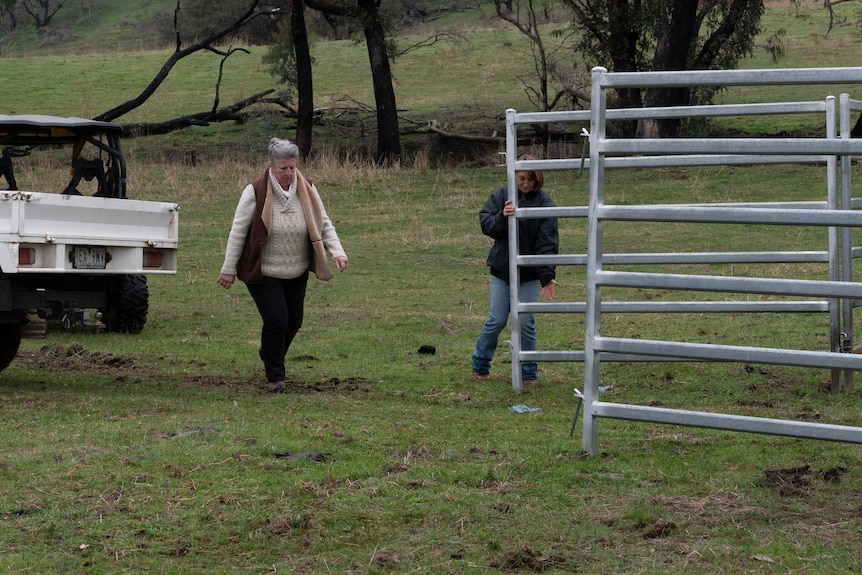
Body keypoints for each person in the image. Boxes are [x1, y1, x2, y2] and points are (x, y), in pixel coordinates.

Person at [218, 138, 348, 393]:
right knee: (277, 319)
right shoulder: (254, 191)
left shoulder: (308, 189)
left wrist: (337, 252)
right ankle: (276, 378)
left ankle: (269, 353)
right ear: (271, 166)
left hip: (296, 269)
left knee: (294, 320)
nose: (289, 173)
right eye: (283, 168)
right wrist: (228, 268)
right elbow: (238, 231)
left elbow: (324, 222)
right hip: (264, 270)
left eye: (292, 167)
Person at [471, 155, 558, 387]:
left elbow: (547, 242)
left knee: (525, 322)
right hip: (501, 271)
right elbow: (486, 225)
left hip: (528, 276)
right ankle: (480, 364)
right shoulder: (501, 196)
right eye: (521, 178)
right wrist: (502, 216)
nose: (526, 184)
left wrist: (547, 276)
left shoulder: (545, 204)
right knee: (497, 320)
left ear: (538, 179)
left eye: (531, 179)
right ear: (514, 176)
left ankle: (529, 373)